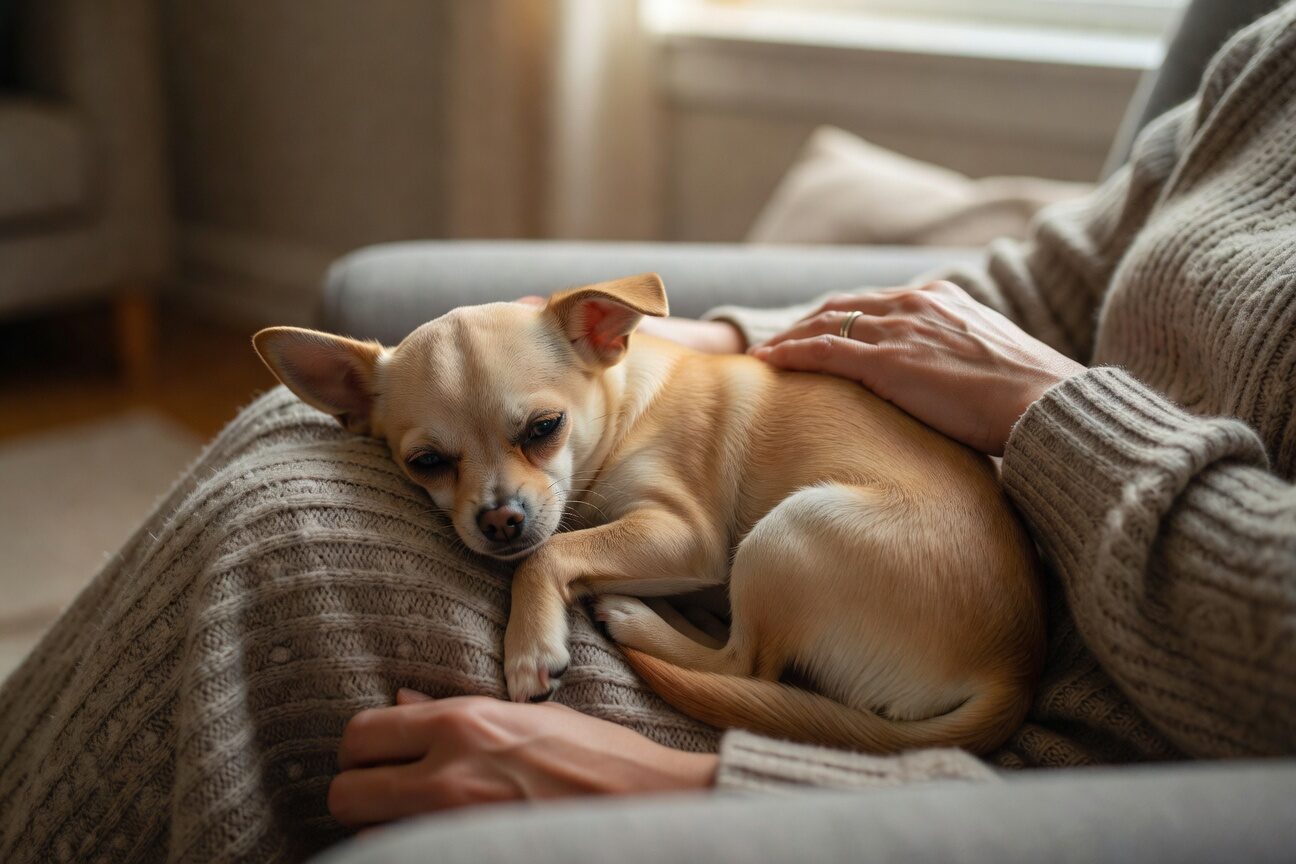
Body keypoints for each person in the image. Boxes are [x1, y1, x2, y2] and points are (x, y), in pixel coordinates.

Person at [2, 4, 1293, 863]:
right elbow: (1030, 291)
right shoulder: (1266, 61)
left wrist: (1044, 413)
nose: (500, 499)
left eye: (534, 443)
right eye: (450, 461)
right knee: (271, 474)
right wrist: (722, 343)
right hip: (920, 590)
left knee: (280, 570)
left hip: (1035, 739)